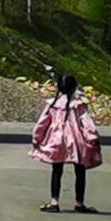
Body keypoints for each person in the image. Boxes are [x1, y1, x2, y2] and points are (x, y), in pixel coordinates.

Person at [30, 69, 100, 212]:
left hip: (56, 140)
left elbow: (42, 123)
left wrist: (36, 138)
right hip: (76, 141)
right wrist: (93, 139)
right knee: (80, 171)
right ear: (74, 87)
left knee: (57, 170)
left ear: (59, 88)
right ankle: (79, 204)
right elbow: (87, 124)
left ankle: (54, 202)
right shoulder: (79, 105)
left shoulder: (52, 104)